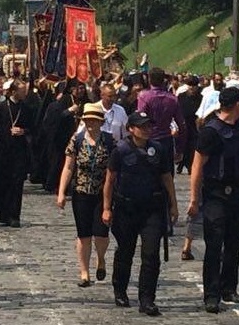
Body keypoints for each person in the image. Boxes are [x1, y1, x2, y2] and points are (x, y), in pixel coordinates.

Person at [188, 87, 239, 313]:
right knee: (214, 245)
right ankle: (211, 294)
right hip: (216, 195)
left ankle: (228, 287)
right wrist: (194, 199)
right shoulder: (211, 131)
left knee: (235, 244)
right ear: (236, 105)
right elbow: (197, 166)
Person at [102, 111, 179, 316]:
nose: (146, 129)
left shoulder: (158, 149)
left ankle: (147, 299)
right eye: (142, 126)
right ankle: (120, 289)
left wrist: (173, 204)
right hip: (126, 209)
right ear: (131, 129)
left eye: (148, 126)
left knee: (151, 254)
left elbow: (166, 177)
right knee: (125, 251)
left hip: (152, 209)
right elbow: (110, 180)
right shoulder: (120, 150)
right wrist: (106, 208)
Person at [57, 102, 115, 287]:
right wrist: (61, 192)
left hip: (102, 193)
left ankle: (101, 258)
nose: (91, 124)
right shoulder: (77, 139)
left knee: (102, 232)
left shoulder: (109, 140)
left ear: (101, 122)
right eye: (88, 120)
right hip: (81, 192)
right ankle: (84, 272)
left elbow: (114, 170)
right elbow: (68, 166)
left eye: (94, 121)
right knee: (83, 234)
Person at [0, 79, 34, 227]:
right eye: (22, 91)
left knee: (17, 184)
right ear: (13, 91)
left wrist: (23, 131)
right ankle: (4, 213)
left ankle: (14, 215)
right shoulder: (1, 108)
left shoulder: (26, 108)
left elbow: (34, 128)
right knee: (3, 183)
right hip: (2, 152)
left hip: (19, 152)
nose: (25, 93)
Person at [137, 67, 186, 177]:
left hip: (148, 140)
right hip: (166, 140)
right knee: (167, 176)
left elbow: (140, 120)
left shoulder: (144, 96)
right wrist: (180, 148)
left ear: (149, 79)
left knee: (148, 176)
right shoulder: (172, 99)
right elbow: (182, 125)